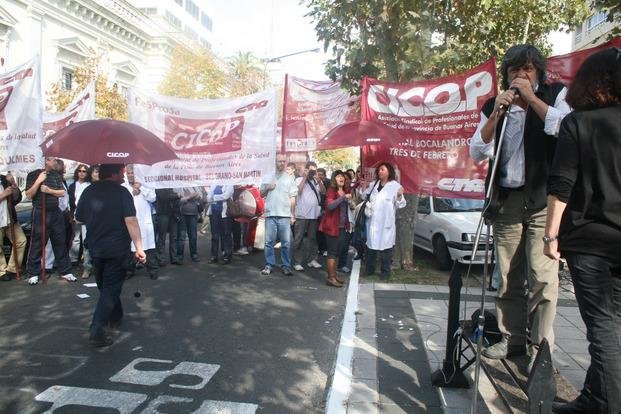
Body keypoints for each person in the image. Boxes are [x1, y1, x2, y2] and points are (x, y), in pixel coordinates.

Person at [469, 44, 571, 363]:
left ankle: (541, 349)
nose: (521, 75)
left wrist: (532, 100)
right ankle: (511, 339)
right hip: (507, 202)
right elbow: (477, 150)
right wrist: (497, 113)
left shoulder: (556, 95)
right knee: (507, 276)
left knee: (542, 276)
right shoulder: (495, 105)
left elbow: (563, 128)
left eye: (527, 69)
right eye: (514, 70)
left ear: (538, 72)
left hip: (543, 201)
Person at [543, 48, 621, 414]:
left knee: (602, 328)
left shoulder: (579, 123)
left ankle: (608, 404)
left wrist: (549, 235)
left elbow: (561, 185)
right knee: (614, 324)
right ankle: (595, 398)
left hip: (590, 239)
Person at [75, 163, 146, 347]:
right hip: (116, 249)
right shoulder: (122, 192)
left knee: (106, 287)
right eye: (122, 172)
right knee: (110, 288)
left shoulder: (89, 191)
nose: (124, 175)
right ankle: (97, 328)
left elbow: (79, 217)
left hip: (96, 248)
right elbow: (130, 220)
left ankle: (116, 316)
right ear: (113, 174)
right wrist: (139, 247)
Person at [24, 156, 75, 285]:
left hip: (55, 211)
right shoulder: (33, 174)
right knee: (37, 242)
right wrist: (38, 182)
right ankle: (33, 272)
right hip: (40, 211)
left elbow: (62, 193)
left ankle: (65, 271)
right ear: (46, 161)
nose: (55, 162)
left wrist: (49, 190)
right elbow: (29, 195)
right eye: (53, 159)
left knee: (60, 241)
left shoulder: (55, 175)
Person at [363, 162, 406, 279]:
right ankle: (369, 270)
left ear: (389, 172)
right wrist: (365, 189)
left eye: (382, 169)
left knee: (386, 250)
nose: (380, 171)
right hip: (373, 222)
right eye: (379, 170)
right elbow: (364, 197)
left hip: (386, 224)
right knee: (371, 248)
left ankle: (385, 272)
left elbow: (401, 204)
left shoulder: (395, 186)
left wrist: (399, 196)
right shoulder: (373, 184)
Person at [260, 155, 297, 276]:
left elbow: (292, 197)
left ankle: (286, 265)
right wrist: (267, 187)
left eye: (283, 161)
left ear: (286, 163)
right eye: (279, 161)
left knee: (286, 242)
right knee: (268, 242)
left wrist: (292, 214)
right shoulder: (267, 176)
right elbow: (261, 193)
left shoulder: (290, 178)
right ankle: (269, 265)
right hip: (270, 213)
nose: (281, 163)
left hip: (285, 215)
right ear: (275, 162)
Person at [319, 170, 355, 287]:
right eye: (338, 176)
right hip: (331, 226)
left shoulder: (345, 191)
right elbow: (330, 206)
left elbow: (346, 208)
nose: (341, 178)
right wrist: (343, 197)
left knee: (338, 252)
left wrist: (350, 203)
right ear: (334, 179)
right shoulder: (331, 190)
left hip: (342, 227)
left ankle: (334, 275)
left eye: (343, 177)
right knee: (332, 252)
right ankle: (330, 278)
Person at [124, 165, 158, 280]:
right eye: (128, 173)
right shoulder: (123, 186)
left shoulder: (146, 183)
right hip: (129, 222)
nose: (130, 175)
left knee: (149, 247)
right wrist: (133, 191)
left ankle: (152, 269)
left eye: (133, 172)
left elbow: (153, 198)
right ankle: (130, 270)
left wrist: (141, 188)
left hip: (144, 222)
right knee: (130, 247)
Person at [292, 161, 324, 271]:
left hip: (314, 214)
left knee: (313, 238)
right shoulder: (299, 180)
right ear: (306, 170)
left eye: (314, 170)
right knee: (299, 238)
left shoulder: (316, 181)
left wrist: (319, 181)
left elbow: (323, 192)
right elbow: (298, 192)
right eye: (310, 170)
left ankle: (312, 259)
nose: (312, 172)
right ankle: (297, 261)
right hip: (302, 214)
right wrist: (305, 178)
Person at [0, 172, 26, 282]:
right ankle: (1, 271)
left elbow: (16, 198)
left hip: (10, 219)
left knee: (21, 241)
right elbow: (5, 195)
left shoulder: (3, 178)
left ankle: (12, 268)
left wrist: (13, 183)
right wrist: (3, 195)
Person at [68, 164, 92, 278]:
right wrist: (72, 215)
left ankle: (87, 265)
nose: (81, 173)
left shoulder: (90, 185)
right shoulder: (73, 186)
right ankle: (73, 260)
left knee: (85, 240)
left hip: (88, 216)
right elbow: (70, 201)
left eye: (84, 171)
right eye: (79, 171)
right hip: (76, 215)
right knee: (75, 238)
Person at [206, 185, 234, 264]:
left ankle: (227, 256)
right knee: (214, 236)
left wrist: (214, 197)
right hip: (214, 213)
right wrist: (213, 197)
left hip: (225, 214)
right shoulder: (214, 183)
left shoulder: (229, 184)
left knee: (226, 235)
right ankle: (214, 256)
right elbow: (208, 197)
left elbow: (226, 196)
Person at [175, 186, 204, 263]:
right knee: (181, 236)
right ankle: (179, 256)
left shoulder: (196, 186)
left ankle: (194, 254)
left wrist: (196, 196)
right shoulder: (179, 186)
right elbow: (178, 201)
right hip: (182, 214)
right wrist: (189, 197)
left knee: (193, 236)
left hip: (193, 214)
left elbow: (201, 197)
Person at [155, 187, 181, 266]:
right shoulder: (158, 185)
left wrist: (175, 195)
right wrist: (176, 195)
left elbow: (175, 197)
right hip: (163, 214)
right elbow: (163, 197)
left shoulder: (171, 184)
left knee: (174, 237)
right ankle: (161, 259)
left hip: (173, 214)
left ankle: (174, 258)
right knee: (162, 237)